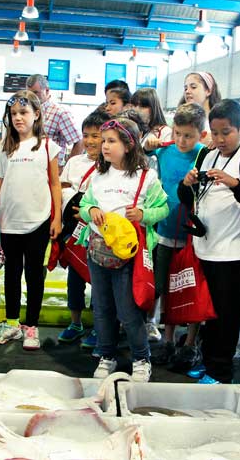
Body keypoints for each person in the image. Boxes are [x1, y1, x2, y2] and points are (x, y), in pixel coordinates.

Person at [179, 100, 240, 384]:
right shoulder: (205, 154)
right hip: (203, 246)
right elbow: (187, 200)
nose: (219, 139)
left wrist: (234, 183)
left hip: (232, 252)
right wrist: (187, 183)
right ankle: (206, 361)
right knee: (205, 310)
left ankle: (220, 369)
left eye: (226, 132)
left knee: (226, 314)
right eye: (215, 132)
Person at [78, 117, 169, 382]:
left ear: (128, 144)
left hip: (129, 256)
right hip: (97, 252)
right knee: (102, 308)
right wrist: (91, 210)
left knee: (128, 311)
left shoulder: (146, 177)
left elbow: (163, 208)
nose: (104, 146)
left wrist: (143, 214)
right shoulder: (98, 175)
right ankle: (107, 355)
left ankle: (141, 358)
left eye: (111, 141)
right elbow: (85, 205)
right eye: (103, 141)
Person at [0, 90, 62, 350]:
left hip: (39, 222)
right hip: (9, 224)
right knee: (11, 274)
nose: (18, 118)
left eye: (24, 112)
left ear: (37, 114)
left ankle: (31, 327)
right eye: (14, 113)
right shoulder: (6, 148)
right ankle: (11, 324)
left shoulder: (47, 146)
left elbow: (55, 184)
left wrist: (57, 218)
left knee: (34, 275)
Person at [148, 103, 207, 365]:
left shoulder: (205, 154)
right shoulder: (164, 152)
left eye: (188, 135)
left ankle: (191, 343)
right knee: (164, 288)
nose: (182, 140)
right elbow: (140, 151)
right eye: (178, 133)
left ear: (201, 135)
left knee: (191, 290)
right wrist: (148, 144)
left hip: (194, 237)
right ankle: (168, 339)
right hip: (164, 232)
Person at [57, 110, 110, 344]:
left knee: (99, 281)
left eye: (96, 136)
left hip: (97, 232)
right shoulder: (74, 162)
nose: (89, 141)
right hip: (73, 229)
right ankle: (75, 322)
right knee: (75, 276)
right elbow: (61, 189)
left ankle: (100, 327)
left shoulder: (110, 166)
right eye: (86, 135)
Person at [26, 74, 83, 167]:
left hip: (51, 170)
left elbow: (79, 142)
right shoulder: (28, 112)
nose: (32, 97)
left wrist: (67, 169)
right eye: (29, 94)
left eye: (36, 93)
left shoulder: (60, 113)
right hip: (31, 167)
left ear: (47, 90)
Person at [178, 71, 221, 145]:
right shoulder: (181, 122)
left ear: (208, 91)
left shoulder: (221, 121)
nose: (187, 91)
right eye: (185, 89)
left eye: (193, 87)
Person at [131, 88, 172, 152]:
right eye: (134, 105)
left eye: (142, 106)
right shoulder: (139, 131)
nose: (136, 110)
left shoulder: (166, 132)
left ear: (153, 108)